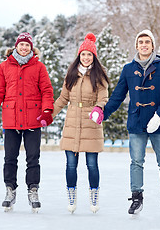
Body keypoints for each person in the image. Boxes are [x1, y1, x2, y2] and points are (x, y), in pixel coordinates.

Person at [100, 30, 160, 215]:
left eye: (147, 42)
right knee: (136, 162)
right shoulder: (128, 69)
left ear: (152, 46)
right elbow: (118, 95)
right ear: (136, 45)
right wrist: (103, 113)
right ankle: (136, 198)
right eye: (140, 42)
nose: (144, 45)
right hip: (136, 122)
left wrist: (159, 116)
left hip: (159, 123)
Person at [0, 32, 54, 212]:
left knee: (33, 159)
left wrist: (47, 111)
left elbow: (47, 91)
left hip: (33, 120)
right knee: (9, 158)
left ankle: (33, 190)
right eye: (21, 45)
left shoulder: (39, 67)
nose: (24, 48)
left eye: (27, 46)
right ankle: (10, 189)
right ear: (16, 47)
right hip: (11, 120)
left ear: (32, 48)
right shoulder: (4, 67)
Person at [52, 33, 109, 214]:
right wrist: (49, 114)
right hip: (72, 120)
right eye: (83, 54)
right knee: (70, 164)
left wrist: (98, 109)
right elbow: (63, 98)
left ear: (94, 57)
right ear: (79, 55)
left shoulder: (99, 75)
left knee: (92, 164)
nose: (86, 57)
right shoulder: (71, 74)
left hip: (91, 121)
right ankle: (72, 195)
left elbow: (103, 97)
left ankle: (94, 195)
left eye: (89, 54)